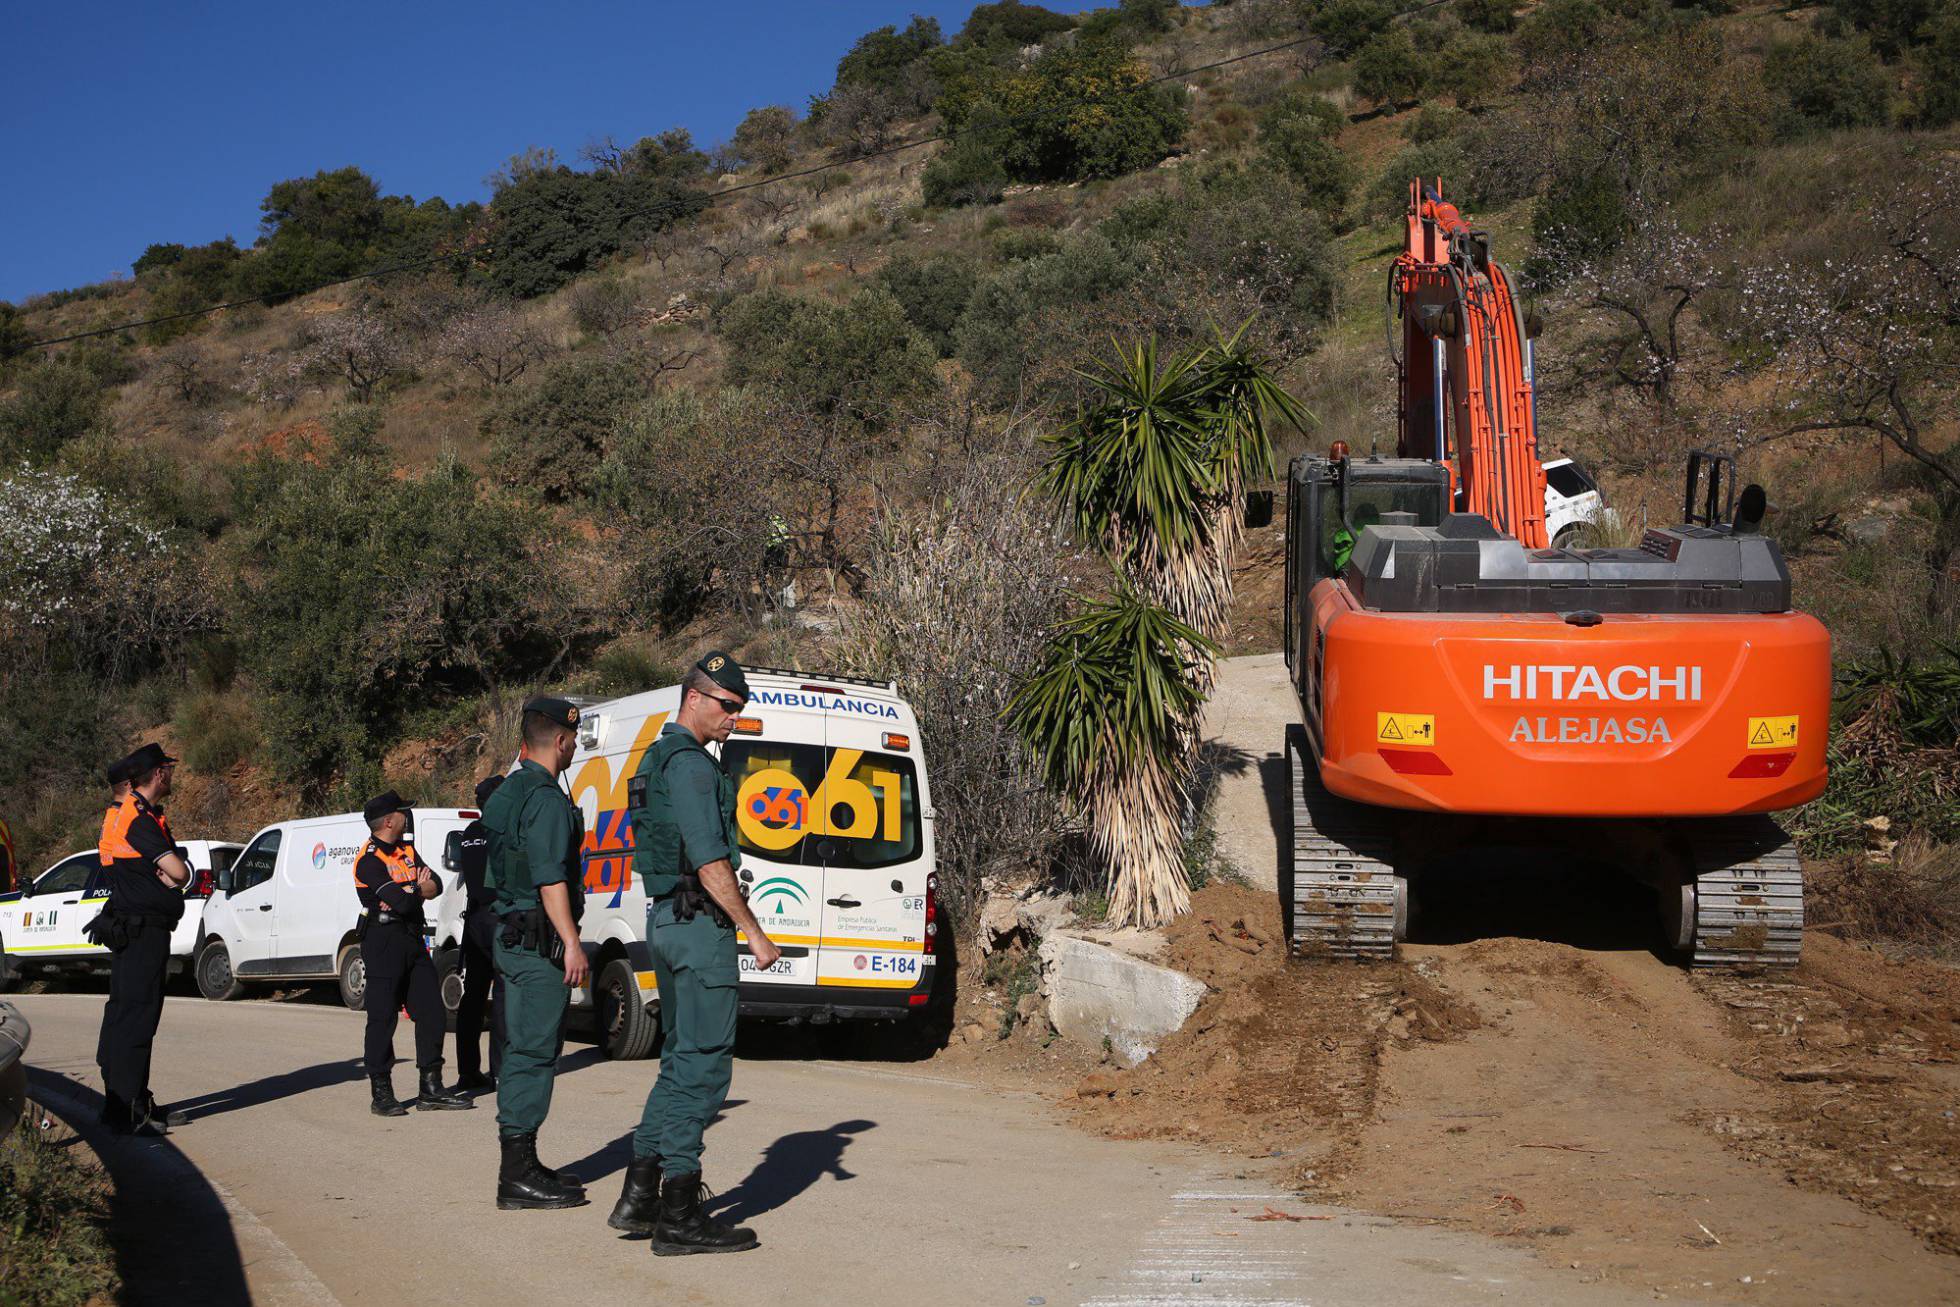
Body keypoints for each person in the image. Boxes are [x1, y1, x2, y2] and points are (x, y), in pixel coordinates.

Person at [609, 651, 781, 1256]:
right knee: (704, 1068)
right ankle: (679, 1216)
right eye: (729, 706)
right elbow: (710, 863)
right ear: (696, 698)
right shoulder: (690, 766)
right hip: (699, 927)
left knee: (678, 1063)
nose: (735, 718)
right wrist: (754, 932)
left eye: (740, 708)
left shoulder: (655, 758)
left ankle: (638, 1199)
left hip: (667, 921)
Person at [482, 697, 589, 1211]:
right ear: (562, 741)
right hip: (537, 941)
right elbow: (550, 878)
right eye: (574, 741)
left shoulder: (509, 790)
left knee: (523, 1047)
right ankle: (517, 1174)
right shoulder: (545, 799)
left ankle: (523, 1162)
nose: (574, 749)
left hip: (509, 932)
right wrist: (571, 941)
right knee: (535, 1052)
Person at [92, 742, 191, 1136]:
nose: (171, 775)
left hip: (135, 927)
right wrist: (174, 874)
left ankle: (125, 1101)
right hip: (142, 930)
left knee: (126, 1014)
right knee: (137, 1017)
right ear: (158, 774)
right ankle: (128, 1108)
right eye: (168, 768)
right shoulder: (137, 819)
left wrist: (168, 875)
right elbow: (178, 873)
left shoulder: (127, 814)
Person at [353, 791, 471, 1117]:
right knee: (383, 1018)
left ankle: (430, 1088)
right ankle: (382, 1092)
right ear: (389, 820)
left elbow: (436, 883)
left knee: (432, 1011)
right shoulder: (368, 860)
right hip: (383, 941)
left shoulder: (406, 850)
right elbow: (409, 899)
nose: (407, 816)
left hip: (412, 939)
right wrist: (415, 890)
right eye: (403, 812)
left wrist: (412, 890)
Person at [453, 774, 507, 1093]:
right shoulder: (501, 830)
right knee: (502, 996)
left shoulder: (471, 832)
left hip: (474, 920)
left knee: (472, 998)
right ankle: (499, 1070)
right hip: (497, 916)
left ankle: (467, 1070)